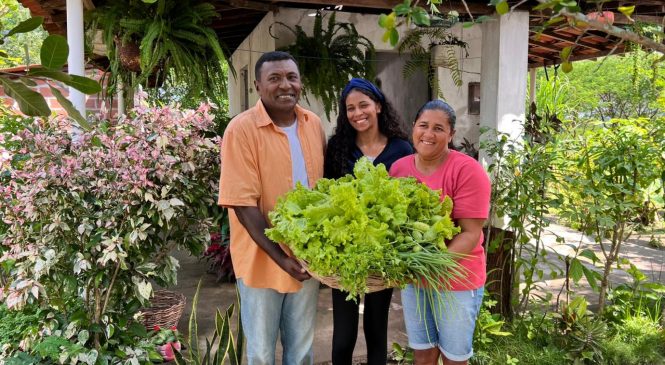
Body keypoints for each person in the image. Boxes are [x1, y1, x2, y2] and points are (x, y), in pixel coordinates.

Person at [218, 51, 326, 365]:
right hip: (262, 261)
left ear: (300, 82)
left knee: (301, 351)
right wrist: (281, 257)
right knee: (262, 355)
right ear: (258, 85)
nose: (285, 85)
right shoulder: (241, 130)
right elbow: (242, 204)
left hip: (307, 259)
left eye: (291, 77)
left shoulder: (312, 124)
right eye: (274, 78)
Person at [389, 100, 491, 365]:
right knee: (422, 352)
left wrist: (426, 265)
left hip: (457, 279)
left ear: (451, 134)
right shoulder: (398, 169)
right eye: (423, 125)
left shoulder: (467, 170)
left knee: (454, 358)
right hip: (416, 281)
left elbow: (469, 234)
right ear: (413, 127)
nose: (428, 134)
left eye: (438, 128)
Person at [324, 78, 413, 365]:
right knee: (343, 336)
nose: (357, 113)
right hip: (346, 252)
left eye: (363, 105)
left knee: (376, 328)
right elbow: (327, 195)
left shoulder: (401, 148)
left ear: (378, 105)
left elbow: (409, 198)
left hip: (382, 252)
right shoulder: (338, 146)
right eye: (350, 108)